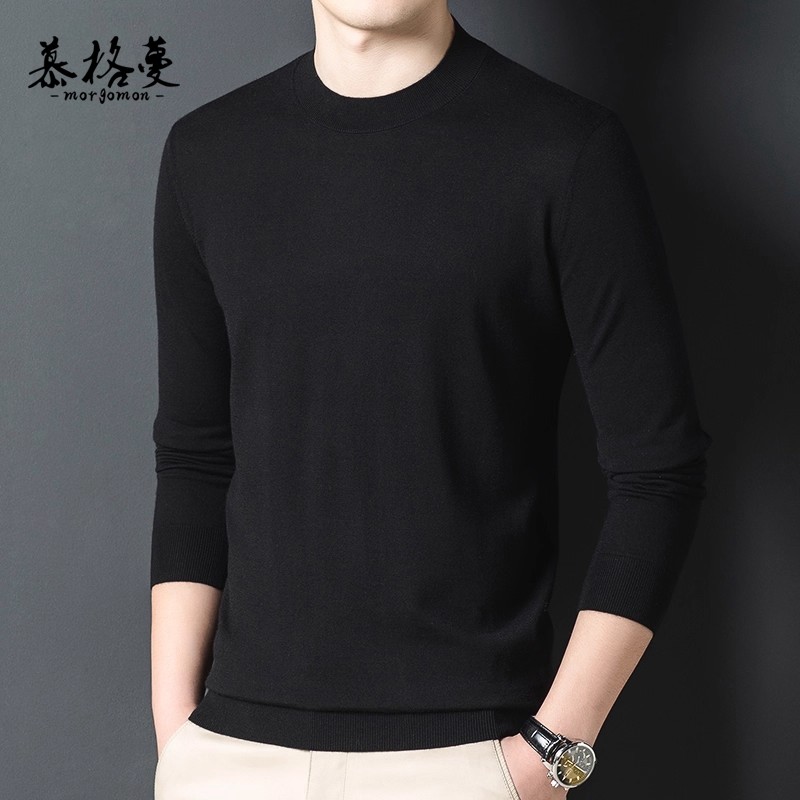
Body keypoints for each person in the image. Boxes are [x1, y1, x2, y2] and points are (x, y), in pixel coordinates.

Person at [149, 1, 712, 798]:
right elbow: (195, 458)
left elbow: (659, 472)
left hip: (470, 759)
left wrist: (551, 755)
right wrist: (177, 734)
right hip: (231, 758)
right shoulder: (208, 153)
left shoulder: (563, 148)